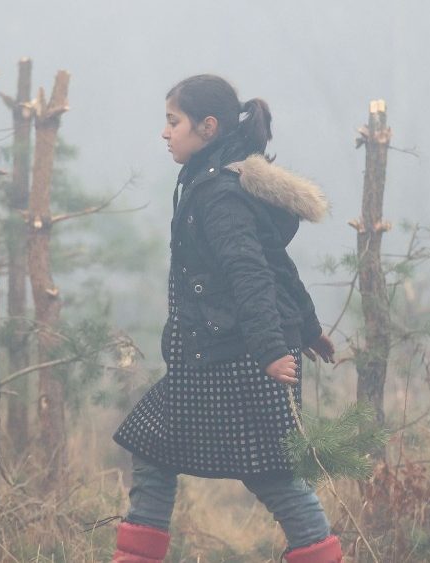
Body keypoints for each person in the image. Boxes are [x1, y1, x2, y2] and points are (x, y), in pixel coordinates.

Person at [111, 75, 341, 562]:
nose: (165, 133)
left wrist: (274, 349)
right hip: (228, 355)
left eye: (174, 122)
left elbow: (251, 272)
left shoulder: (218, 192)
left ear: (207, 127)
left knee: (272, 475)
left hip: (236, 357)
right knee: (158, 450)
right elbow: (276, 262)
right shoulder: (217, 179)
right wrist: (308, 327)